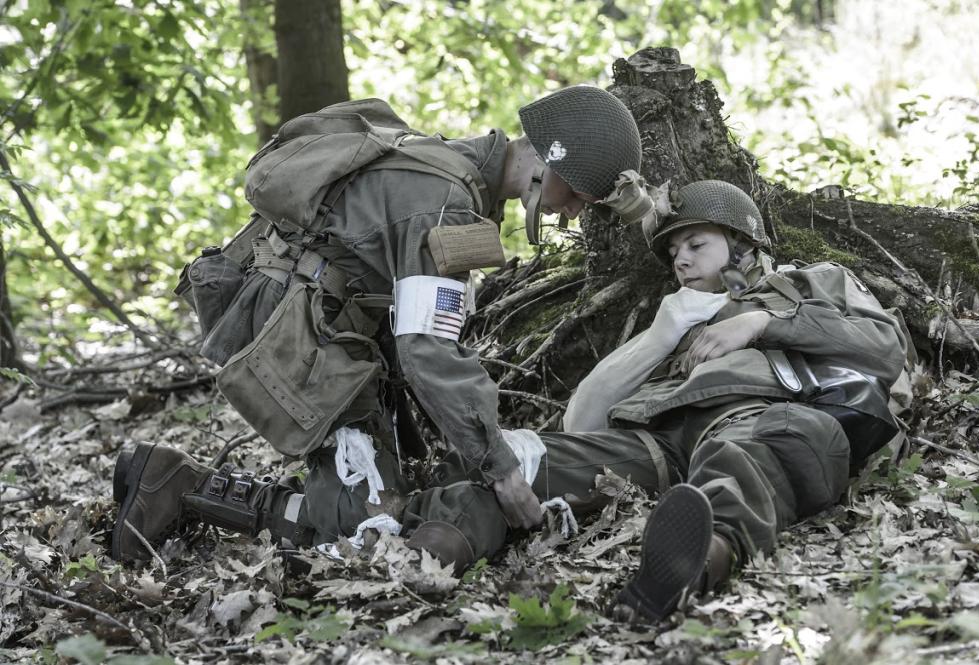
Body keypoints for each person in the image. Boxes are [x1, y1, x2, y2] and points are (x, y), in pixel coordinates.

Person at [111, 85, 643, 572]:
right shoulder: (447, 205)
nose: (572, 214)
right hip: (298, 334)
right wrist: (502, 470)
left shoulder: (448, 167)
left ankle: (181, 481)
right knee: (365, 531)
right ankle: (180, 485)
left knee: (385, 498)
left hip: (320, 326)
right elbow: (429, 351)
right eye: (575, 194)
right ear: (547, 162)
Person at [524, 179, 908, 622]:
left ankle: (697, 561)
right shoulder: (678, 318)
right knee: (526, 460)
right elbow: (582, 420)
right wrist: (659, 337)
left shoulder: (811, 281)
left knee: (743, 455)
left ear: (740, 243)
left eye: (696, 244)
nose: (681, 259)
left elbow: (884, 348)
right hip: (662, 443)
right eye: (674, 254)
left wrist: (763, 322)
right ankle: (438, 542)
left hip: (762, 416)